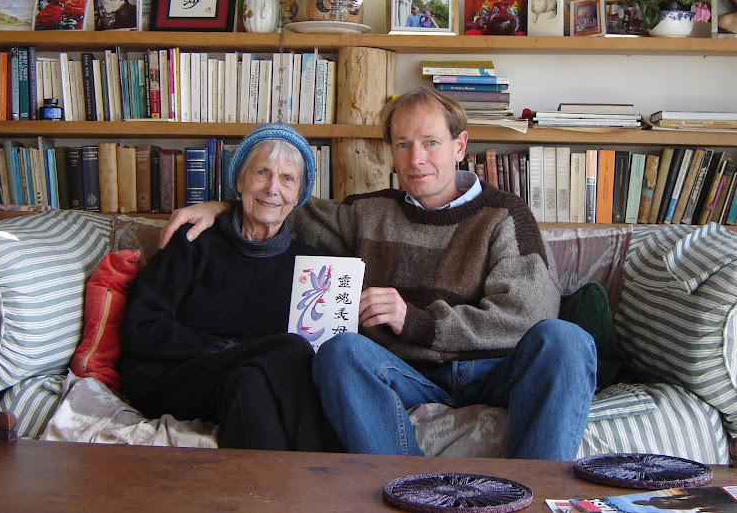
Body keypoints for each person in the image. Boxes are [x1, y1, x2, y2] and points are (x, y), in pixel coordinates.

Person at [158, 88, 597, 460]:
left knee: (567, 340)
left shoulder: (505, 215)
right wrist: (223, 207)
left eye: (430, 142)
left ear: (460, 146)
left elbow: (527, 317)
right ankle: (405, 491)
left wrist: (417, 321)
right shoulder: (370, 213)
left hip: (493, 371)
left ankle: (538, 497)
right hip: (404, 374)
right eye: (402, 144)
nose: (416, 158)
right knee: (341, 351)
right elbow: (281, 202)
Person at [119, 122, 338, 452]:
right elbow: (142, 327)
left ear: (299, 195)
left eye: (287, 179)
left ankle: (280, 497)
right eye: (262, 173)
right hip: (175, 378)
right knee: (291, 349)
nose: (272, 189)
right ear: (240, 181)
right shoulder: (193, 241)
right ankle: (326, 479)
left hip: (245, 385)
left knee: (248, 381)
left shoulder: (315, 270)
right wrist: (223, 349)